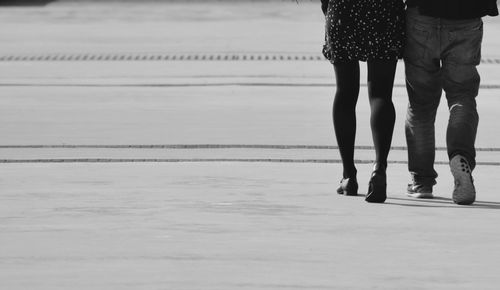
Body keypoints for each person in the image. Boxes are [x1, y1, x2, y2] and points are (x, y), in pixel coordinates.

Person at [404, 0, 498, 205]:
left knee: (420, 103)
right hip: (466, 17)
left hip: (421, 15)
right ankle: (460, 156)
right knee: (462, 95)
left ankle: (421, 180)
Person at [321, 0, 406, 203]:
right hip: (384, 11)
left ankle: (348, 175)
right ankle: (379, 169)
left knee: (345, 92)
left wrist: (328, 8)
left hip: (343, 10)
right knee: (381, 94)